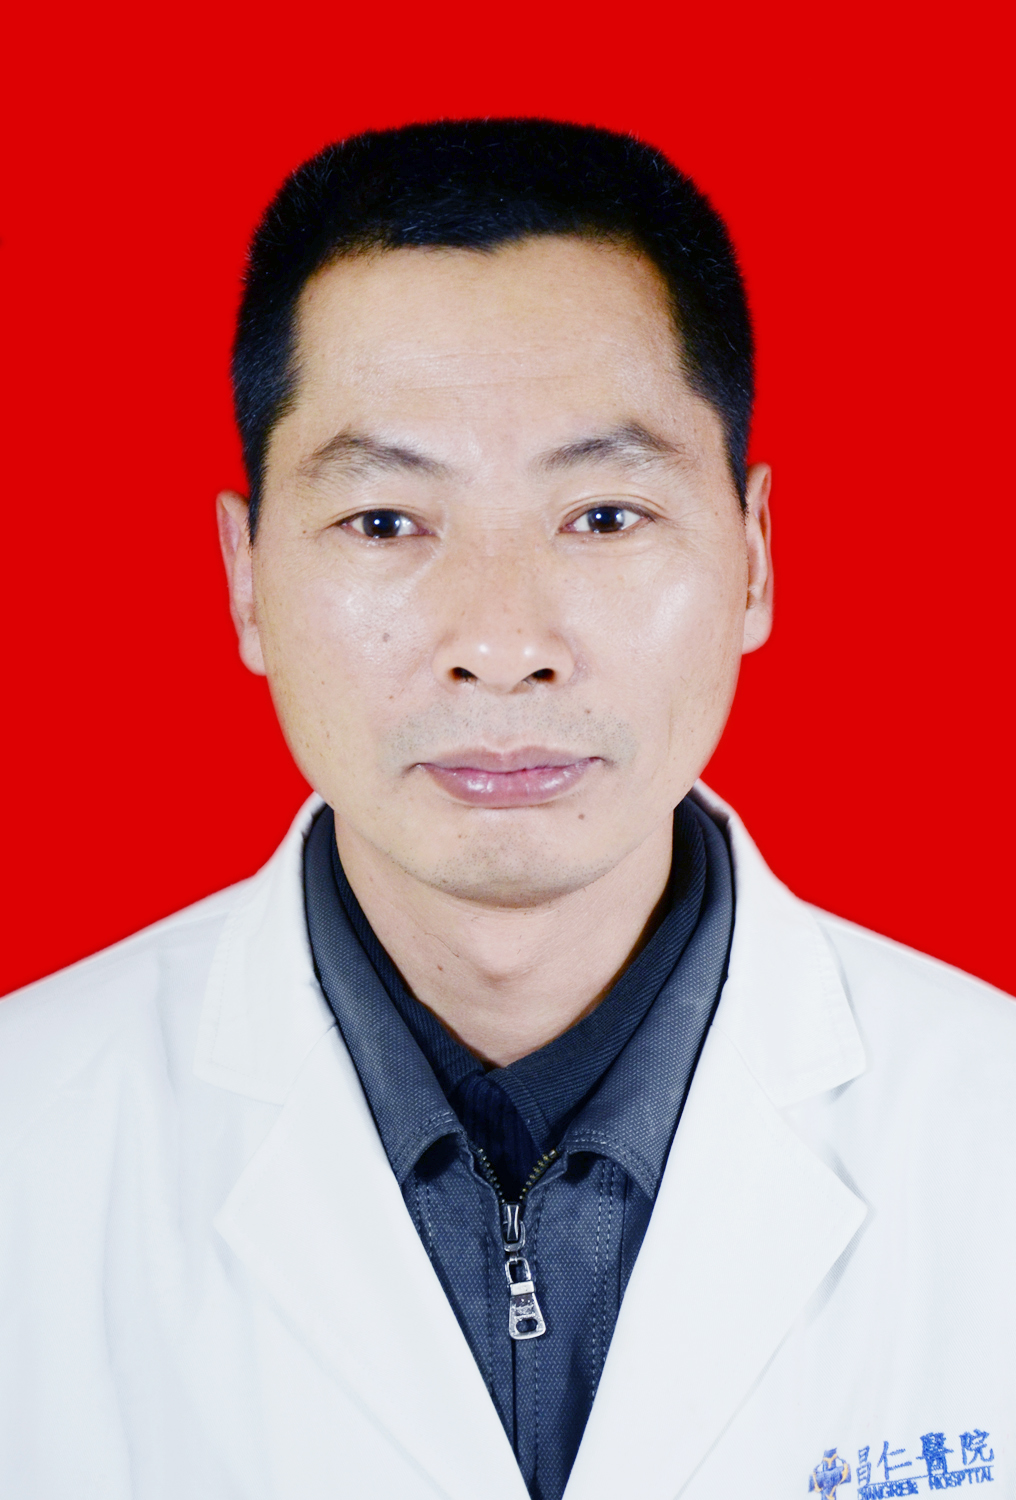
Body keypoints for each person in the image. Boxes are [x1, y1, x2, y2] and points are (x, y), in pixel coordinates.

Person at [1, 119, 1013, 1500]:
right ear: (245, 579)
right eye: (385, 522)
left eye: (603, 516)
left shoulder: (990, 1130)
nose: (501, 643)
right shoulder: (29, 1141)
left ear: (755, 558)